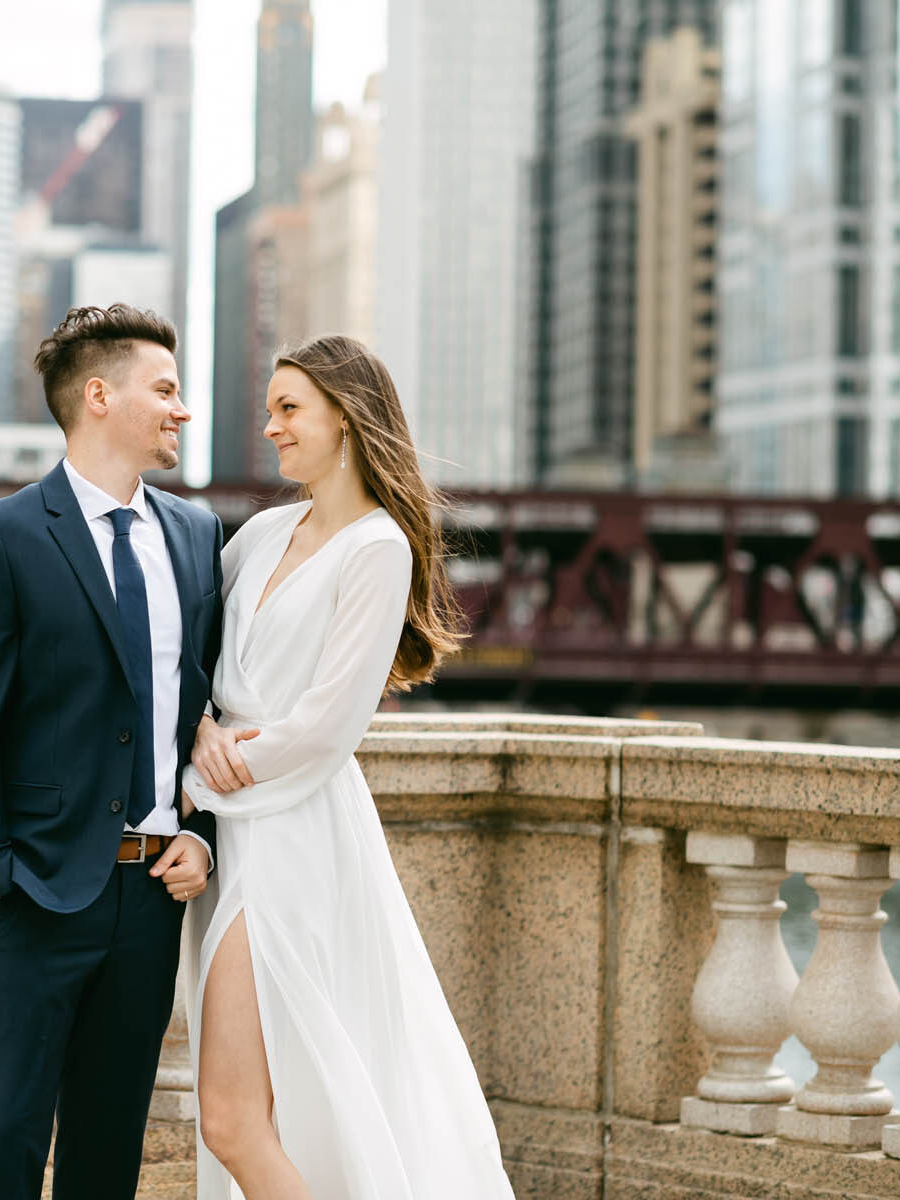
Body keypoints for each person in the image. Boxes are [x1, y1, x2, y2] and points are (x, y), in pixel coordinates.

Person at [181, 335, 515, 1198]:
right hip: (229, 829)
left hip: (294, 841)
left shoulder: (378, 549)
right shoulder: (260, 533)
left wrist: (202, 770)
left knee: (229, 1119)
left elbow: (325, 730)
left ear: (346, 415)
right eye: (271, 408)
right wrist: (196, 729)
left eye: (289, 407)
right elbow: (192, 663)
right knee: (268, 1111)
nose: (271, 426)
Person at [0, 304, 224, 1200]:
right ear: (99, 396)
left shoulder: (199, 536)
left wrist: (202, 828)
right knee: (5, 1146)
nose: (182, 410)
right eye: (165, 390)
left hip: (149, 896)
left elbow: (207, 709)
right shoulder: (4, 536)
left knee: (109, 1153)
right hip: (34, 897)